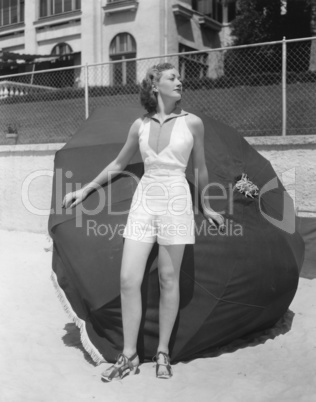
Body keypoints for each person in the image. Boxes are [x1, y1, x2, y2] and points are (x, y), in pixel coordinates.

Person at [62, 63, 224, 381]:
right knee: (127, 279)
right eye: (172, 77)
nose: (180, 80)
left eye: (179, 76)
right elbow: (119, 163)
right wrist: (85, 190)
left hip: (177, 202)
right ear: (154, 86)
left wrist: (205, 206)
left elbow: (200, 169)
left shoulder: (193, 123)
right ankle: (129, 355)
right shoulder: (140, 125)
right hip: (144, 202)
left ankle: (163, 351)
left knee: (168, 279)